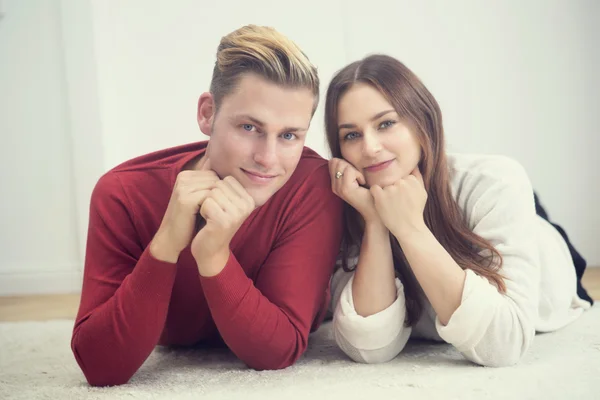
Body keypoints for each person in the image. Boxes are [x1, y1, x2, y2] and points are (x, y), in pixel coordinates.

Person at [71, 25, 343, 386]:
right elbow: (100, 366)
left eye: (289, 135)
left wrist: (213, 256)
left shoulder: (310, 185)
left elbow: (277, 350)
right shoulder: (122, 194)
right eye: (249, 127)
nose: (268, 158)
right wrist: (167, 242)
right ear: (207, 113)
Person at [324, 54, 593, 367]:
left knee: (511, 206)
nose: (369, 148)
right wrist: (376, 222)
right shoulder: (348, 199)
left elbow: (503, 346)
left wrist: (410, 228)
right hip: (461, 217)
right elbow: (368, 348)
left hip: (539, 245)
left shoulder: (494, 179)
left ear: (421, 120)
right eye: (351, 135)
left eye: (386, 123)